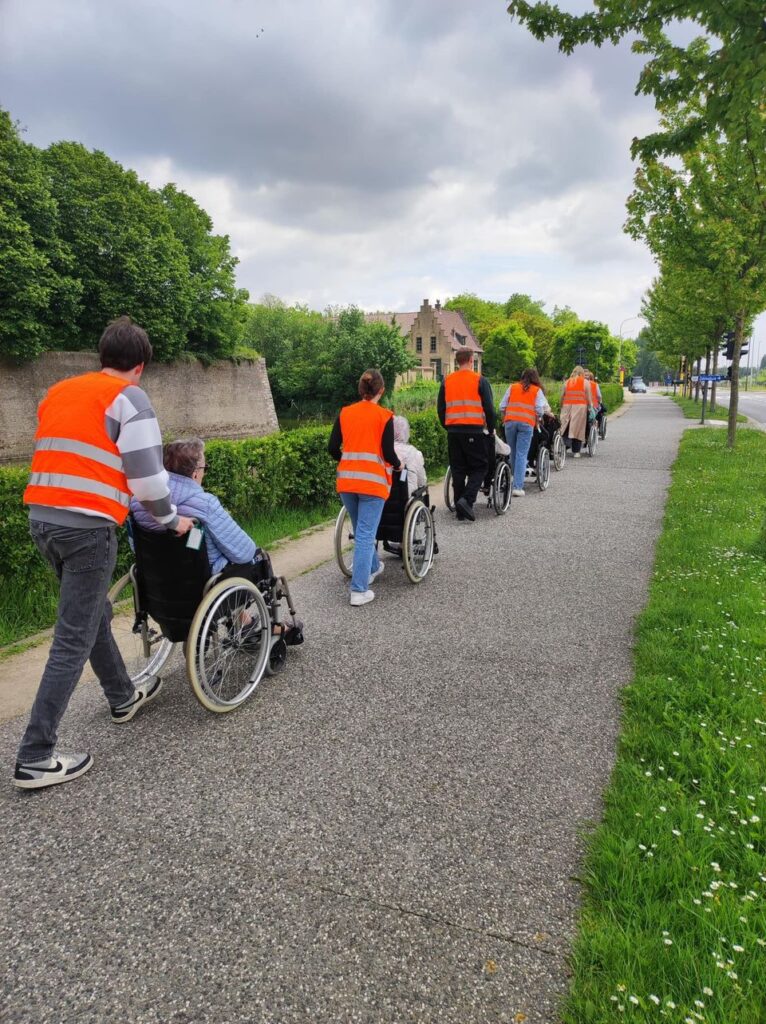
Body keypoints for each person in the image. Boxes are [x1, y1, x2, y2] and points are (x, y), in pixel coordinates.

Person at [14, 316, 195, 791]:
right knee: (72, 637)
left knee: (90, 613)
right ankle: (35, 756)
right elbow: (149, 477)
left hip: (42, 520)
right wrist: (172, 518)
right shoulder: (129, 398)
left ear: (101, 357)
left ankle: (122, 695)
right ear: (140, 366)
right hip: (88, 527)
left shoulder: (60, 391)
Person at [130, 438, 303, 643]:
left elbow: (136, 546)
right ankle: (268, 625)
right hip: (200, 585)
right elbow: (244, 551)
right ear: (195, 472)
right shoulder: (204, 504)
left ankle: (244, 623)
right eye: (204, 467)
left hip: (158, 582)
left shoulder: (139, 502)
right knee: (257, 558)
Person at [328, 369, 402, 606]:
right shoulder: (384, 416)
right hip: (372, 483)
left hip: (347, 481)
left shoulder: (345, 413)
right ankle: (359, 590)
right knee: (365, 533)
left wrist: (347, 460)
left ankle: (372, 567)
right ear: (381, 390)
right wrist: (398, 465)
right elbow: (389, 453)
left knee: (361, 528)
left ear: (361, 389)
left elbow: (332, 448)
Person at [437, 347, 495, 521]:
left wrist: (447, 427)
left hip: (453, 431)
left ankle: (461, 511)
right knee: (480, 467)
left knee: (458, 469)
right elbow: (489, 409)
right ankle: (466, 500)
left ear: (457, 361)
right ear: (471, 360)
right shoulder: (479, 380)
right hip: (474, 430)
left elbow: (441, 408)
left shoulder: (447, 381)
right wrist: (491, 429)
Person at [499, 368, 551, 496]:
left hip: (510, 422)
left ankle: (512, 480)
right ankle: (517, 487)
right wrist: (538, 417)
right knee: (522, 454)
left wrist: (506, 415)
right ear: (535, 378)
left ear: (522, 377)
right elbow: (540, 409)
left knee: (512, 453)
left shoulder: (512, 387)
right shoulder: (536, 390)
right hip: (526, 423)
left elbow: (502, 406)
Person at [559, 365, 593, 459]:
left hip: (567, 407)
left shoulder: (567, 382)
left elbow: (562, 396)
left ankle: (563, 447)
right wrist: (591, 407)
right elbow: (589, 398)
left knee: (565, 426)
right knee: (578, 428)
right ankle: (576, 451)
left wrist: (561, 406)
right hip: (580, 408)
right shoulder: (585, 382)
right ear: (582, 373)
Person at [392, 415, 427, 497]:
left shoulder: (385, 451)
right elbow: (422, 481)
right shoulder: (414, 453)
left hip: (385, 497)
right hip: (406, 496)